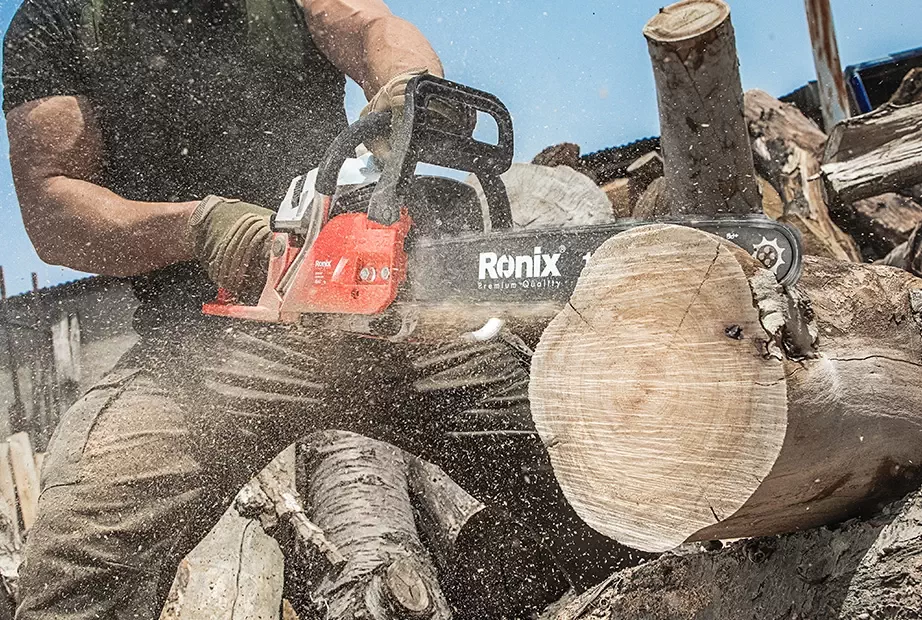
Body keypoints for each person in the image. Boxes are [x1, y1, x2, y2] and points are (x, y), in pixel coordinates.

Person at [2, 0, 545, 617]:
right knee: (81, 553)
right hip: (204, 345)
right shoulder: (61, 18)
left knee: (589, 459)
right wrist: (199, 229)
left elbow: (366, 24)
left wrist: (407, 86)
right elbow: (51, 206)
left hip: (380, 310)